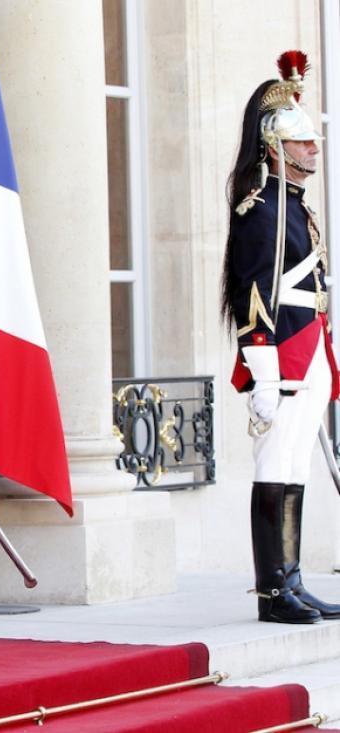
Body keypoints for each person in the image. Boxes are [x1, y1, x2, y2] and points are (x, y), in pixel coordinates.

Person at [221, 50, 340, 625]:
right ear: (275, 146)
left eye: (313, 141)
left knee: (295, 464)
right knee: (274, 463)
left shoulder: (294, 206)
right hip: (283, 352)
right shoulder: (261, 209)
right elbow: (252, 296)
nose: (313, 148)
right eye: (302, 142)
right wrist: (263, 374)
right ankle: (271, 591)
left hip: (310, 343)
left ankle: (292, 580)